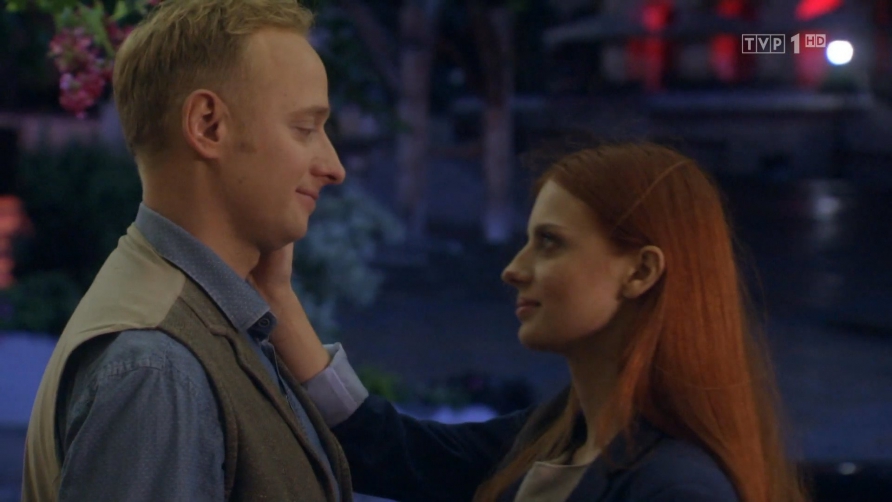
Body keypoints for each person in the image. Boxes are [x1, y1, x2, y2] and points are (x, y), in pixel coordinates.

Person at [260, 142, 809, 502]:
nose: (513, 270)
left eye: (549, 243)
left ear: (641, 271)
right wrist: (276, 292)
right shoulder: (559, 434)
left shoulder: (676, 489)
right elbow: (391, 451)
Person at [22, 1, 356, 500]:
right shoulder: (160, 368)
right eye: (305, 128)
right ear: (208, 125)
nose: (334, 167)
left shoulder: (184, 318)